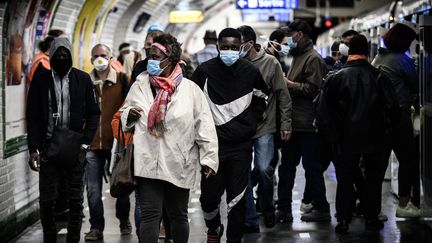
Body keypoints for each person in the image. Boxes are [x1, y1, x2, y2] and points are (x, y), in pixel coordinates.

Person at [120, 33, 219, 243]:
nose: (151, 61)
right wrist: (130, 115)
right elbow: (124, 114)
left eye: (156, 56)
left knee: (178, 215)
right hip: (148, 160)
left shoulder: (190, 90)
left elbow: (205, 126)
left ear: (171, 58)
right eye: (150, 56)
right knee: (149, 215)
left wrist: (209, 159)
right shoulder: (140, 84)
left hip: (179, 160)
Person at [191, 27, 268, 243]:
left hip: (241, 147)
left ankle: (234, 238)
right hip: (211, 147)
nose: (229, 51)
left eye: (234, 47)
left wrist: (249, 125)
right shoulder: (204, 71)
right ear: (217, 47)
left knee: (237, 199)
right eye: (225, 47)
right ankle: (214, 227)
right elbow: (192, 102)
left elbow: (262, 98)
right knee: (208, 198)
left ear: (241, 47)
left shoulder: (250, 72)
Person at [26, 37, 100, 243]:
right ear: (51, 56)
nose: (61, 58)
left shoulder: (82, 79)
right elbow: (32, 116)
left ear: (71, 56)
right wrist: (33, 149)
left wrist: (85, 143)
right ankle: (49, 236)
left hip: (75, 148)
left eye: (65, 54)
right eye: (57, 54)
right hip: (48, 148)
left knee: (75, 199)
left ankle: (73, 238)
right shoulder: (40, 81)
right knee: (47, 199)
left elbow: (94, 113)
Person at [323, 34, 399, 233]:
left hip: (345, 138)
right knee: (373, 180)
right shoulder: (380, 76)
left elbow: (326, 112)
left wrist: (334, 137)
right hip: (376, 138)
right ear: (367, 52)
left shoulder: (336, 78)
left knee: (345, 179)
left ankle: (343, 220)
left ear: (348, 52)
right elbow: (392, 109)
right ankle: (372, 219)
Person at [236, 25, 292, 232]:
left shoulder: (270, 63)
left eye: (238, 44)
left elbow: (283, 95)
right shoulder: (234, 64)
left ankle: (268, 207)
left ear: (249, 44)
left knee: (263, 169)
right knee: (243, 174)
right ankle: (250, 219)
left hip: (265, 125)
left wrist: (286, 123)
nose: (234, 49)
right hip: (241, 127)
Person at [277, 19, 330, 222]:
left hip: (308, 124)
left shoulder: (312, 58)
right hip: (294, 122)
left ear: (301, 35)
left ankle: (321, 208)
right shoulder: (298, 56)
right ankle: (284, 209)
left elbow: (314, 90)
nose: (288, 39)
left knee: (312, 168)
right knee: (287, 168)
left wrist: (289, 84)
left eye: (291, 35)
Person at [372, 23, 420, 218]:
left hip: (378, 117)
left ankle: (374, 209)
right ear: (403, 42)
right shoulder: (403, 60)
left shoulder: (378, 58)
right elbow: (417, 85)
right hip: (399, 115)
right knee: (408, 159)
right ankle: (404, 204)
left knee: (378, 162)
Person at [84, 44, 132, 241]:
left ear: (110, 56)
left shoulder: (122, 80)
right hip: (93, 144)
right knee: (93, 188)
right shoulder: (85, 82)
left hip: (116, 144)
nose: (99, 59)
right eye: (95, 56)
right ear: (91, 58)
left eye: (103, 55)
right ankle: (96, 227)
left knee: (121, 185)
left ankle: (123, 220)